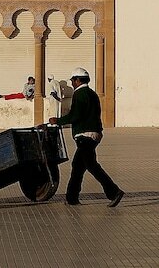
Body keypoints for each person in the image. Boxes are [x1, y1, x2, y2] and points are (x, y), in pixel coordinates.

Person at [48, 67, 124, 208]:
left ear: (78, 80)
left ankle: (114, 192)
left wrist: (57, 121)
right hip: (94, 134)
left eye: (73, 80)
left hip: (85, 136)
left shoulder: (80, 94)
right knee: (78, 166)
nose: (72, 83)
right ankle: (72, 198)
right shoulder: (92, 93)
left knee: (91, 165)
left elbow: (75, 116)